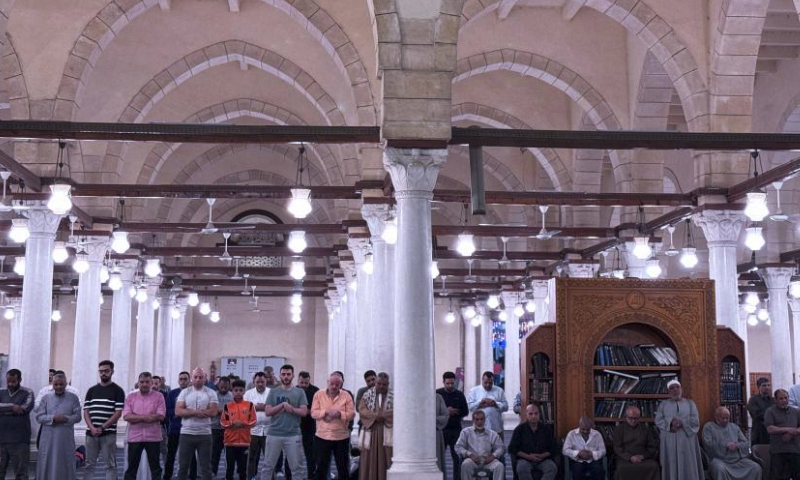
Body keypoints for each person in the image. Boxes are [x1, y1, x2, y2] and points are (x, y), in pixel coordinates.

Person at [261, 364, 308, 480]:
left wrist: (291, 409)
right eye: (283, 374)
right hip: (274, 433)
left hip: (293, 434)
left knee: (297, 468)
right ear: (280, 375)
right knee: (268, 467)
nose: (286, 377)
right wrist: (282, 405)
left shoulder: (299, 392)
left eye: (288, 374)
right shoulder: (273, 392)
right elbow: (268, 411)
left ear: (293, 376)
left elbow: (303, 412)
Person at [82, 359, 126, 480]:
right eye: (101, 371)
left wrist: (102, 428)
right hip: (91, 434)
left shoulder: (118, 390)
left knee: (110, 465)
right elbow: (86, 411)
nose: (103, 374)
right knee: (89, 464)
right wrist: (92, 428)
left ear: (112, 372)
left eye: (106, 371)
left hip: (108, 434)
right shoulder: (91, 390)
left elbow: (117, 413)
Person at [34, 373, 82, 480]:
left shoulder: (73, 398)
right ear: (52, 384)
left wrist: (65, 419)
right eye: (56, 384)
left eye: (61, 384)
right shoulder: (45, 398)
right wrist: (52, 418)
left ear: (66, 384)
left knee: (65, 461)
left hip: (65, 438)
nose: (59, 387)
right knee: (47, 460)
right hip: (48, 437)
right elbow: (39, 417)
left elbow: (78, 417)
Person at [654, 379, 703, 480]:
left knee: (688, 463)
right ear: (668, 391)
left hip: (687, 440)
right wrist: (671, 421)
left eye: (677, 387)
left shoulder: (690, 403)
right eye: (672, 388)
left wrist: (682, 422)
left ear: (681, 389)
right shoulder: (663, 404)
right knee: (671, 464)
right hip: (669, 440)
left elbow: (695, 421)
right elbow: (658, 420)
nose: (675, 390)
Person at [175, 367, 219, 480]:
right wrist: (196, 412)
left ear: (205, 379)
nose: (198, 379)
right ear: (191, 379)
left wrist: (188, 411)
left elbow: (213, 411)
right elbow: (178, 411)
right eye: (195, 377)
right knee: (183, 467)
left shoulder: (211, 392)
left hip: (205, 435)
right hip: (186, 434)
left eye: (201, 377)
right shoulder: (184, 392)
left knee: (206, 468)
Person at [123, 371, 167, 480]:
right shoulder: (131, 397)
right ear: (138, 383)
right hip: (135, 437)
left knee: (155, 468)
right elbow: (127, 416)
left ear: (151, 382)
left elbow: (161, 416)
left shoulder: (159, 396)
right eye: (142, 382)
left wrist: (136, 417)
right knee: (131, 469)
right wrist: (147, 417)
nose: (144, 384)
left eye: (147, 382)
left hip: (153, 437)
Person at [312, 372, 355, 480]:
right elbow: (313, 413)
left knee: (343, 469)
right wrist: (325, 412)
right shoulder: (318, 394)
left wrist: (339, 414)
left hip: (341, 437)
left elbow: (352, 414)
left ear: (341, 385)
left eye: (337, 384)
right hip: (322, 436)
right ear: (328, 383)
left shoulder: (346, 396)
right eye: (332, 383)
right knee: (321, 468)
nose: (334, 386)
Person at [702, 406, 761, 480]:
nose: (725, 420)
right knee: (720, 469)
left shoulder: (734, 427)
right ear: (716, 417)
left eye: (727, 418)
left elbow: (745, 443)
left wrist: (737, 446)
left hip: (737, 460)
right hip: (719, 460)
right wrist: (726, 445)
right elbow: (708, 444)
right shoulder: (708, 427)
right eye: (723, 418)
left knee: (755, 467)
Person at [358, 372, 393, 480]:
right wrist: (375, 416)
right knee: (369, 459)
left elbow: (398, 411)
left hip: (387, 432)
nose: (381, 386)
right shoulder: (367, 395)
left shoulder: (394, 396)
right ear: (376, 383)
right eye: (379, 384)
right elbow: (362, 410)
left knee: (386, 458)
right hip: (371, 431)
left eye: (384, 384)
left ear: (388, 384)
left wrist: (383, 416)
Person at [508, 403, 558, 480]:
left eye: (536, 413)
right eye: (530, 414)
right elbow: (512, 449)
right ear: (526, 415)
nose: (534, 416)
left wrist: (542, 456)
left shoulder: (546, 429)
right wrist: (528, 457)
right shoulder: (519, 429)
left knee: (552, 468)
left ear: (539, 414)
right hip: (525, 459)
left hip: (543, 459)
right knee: (521, 468)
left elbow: (554, 448)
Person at [0, 368, 34, 480]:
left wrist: (3, 409)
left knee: (21, 473)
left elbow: (25, 409)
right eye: (8, 381)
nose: (10, 384)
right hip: (1, 438)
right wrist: (13, 407)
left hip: (20, 440)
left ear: (20, 380)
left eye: (13, 381)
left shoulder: (28, 392)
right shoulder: (1, 392)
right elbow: (17, 409)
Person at [220, 379, 257, 480]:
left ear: (244, 391)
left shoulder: (249, 405)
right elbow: (223, 423)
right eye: (236, 390)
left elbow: (253, 421)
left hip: (244, 443)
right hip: (229, 443)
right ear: (232, 391)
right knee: (229, 469)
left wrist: (242, 423)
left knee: (243, 470)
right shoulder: (227, 406)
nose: (238, 393)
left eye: (241, 390)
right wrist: (232, 423)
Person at [612, 405, 660, 480]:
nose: (633, 421)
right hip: (625, 458)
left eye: (636, 418)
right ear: (626, 417)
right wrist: (630, 457)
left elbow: (652, 447)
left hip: (643, 458)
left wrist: (643, 456)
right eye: (630, 418)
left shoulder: (645, 429)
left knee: (654, 466)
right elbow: (617, 447)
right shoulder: (619, 429)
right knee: (621, 468)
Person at [455, 409, 505, 480]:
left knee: (499, 466)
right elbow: (458, 447)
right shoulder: (466, 432)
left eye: (481, 419)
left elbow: (501, 448)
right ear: (473, 420)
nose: (479, 422)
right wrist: (469, 454)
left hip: (488, 461)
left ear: (485, 420)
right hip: (472, 460)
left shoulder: (492, 434)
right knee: (465, 465)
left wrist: (493, 456)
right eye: (477, 419)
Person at [437, 371, 469, 480]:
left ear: (454, 382)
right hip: (441, 430)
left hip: (456, 430)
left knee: (457, 457)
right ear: (443, 382)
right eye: (448, 383)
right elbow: (432, 411)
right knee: (439, 457)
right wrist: (446, 412)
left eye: (452, 383)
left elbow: (465, 411)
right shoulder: (438, 394)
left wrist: (456, 412)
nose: (450, 385)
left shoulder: (459, 394)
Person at [765, 389, 800, 479]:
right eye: (781, 398)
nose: (784, 400)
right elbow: (770, 429)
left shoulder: (796, 411)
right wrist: (788, 429)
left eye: (786, 398)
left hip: (795, 449)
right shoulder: (770, 411)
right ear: (775, 400)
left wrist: (792, 433)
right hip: (778, 450)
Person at [164, 371, 192, 480]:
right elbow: (168, 411)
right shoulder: (172, 393)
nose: (183, 381)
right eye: (181, 379)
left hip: (189, 429)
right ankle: (167, 476)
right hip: (175, 429)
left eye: (185, 379)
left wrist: (181, 412)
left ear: (189, 380)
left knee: (191, 457)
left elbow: (195, 410)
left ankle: (192, 476)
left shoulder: (194, 393)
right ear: (178, 381)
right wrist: (182, 412)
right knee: (171, 456)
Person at [244, 371, 271, 480]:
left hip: (269, 431)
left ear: (266, 381)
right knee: (251, 458)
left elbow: (274, 408)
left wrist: (256, 407)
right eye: (258, 382)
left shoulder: (272, 393)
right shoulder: (248, 393)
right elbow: (245, 409)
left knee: (269, 459)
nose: (260, 384)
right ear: (254, 382)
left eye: (262, 382)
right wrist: (261, 407)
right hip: (253, 431)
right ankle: (251, 477)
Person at [563, 415, 606, 479]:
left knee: (599, 471)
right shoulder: (571, 434)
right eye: (583, 429)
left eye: (588, 429)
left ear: (591, 427)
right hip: (577, 461)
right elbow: (565, 450)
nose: (585, 431)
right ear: (579, 426)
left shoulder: (597, 434)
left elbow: (603, 450)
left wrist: (592, 454)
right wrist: (578, 453)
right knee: (577, 471)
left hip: (592, 460)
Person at [467, 371, 508, 438]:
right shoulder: (474, 391)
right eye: (485, 383)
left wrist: (495, 403)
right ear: (482, 380)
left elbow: (506, 407)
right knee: (480, 447)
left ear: (493, 381)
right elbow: (470, 407)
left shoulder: (499, 391)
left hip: (496, 427)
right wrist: (480, 403)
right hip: (480, 428)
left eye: (490, 383)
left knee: (498, 447)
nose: (488, 385)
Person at [298, 370, 320, 479]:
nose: (304, 385)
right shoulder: (294, 390)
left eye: (306, 383)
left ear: (309, 381)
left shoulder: (316, 391)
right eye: (302, 383)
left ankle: (311, 476)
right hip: (295, 426)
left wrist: (308, 411)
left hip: (310, 426)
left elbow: (319, 408)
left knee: (310, 454)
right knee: (292, 454)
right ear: (298, 380)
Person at [211, 376, 233, 477]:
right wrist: (224, 411)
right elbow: (211, 411)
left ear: (229, 386)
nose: (223, 387)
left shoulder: (233, 396)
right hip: (215, 428)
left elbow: (234, 412)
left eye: (225, 386)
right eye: (222, 385)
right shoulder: (212, 395)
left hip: (229, 429)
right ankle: (213, 473)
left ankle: (228, 475)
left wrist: (220, 411)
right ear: (218, 385)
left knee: (229, 454)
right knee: (214, 453)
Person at [748, 377, 774, 446]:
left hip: (772, 431)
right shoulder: (753, 400)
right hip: (759, 431)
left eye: (768, 385)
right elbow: (756, 415)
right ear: (759, 387)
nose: (767, 387)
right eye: (764, 385)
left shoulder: (773, 400)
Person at [435, 393, 449, 479]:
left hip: (435, 433)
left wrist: (433, 418)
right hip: (418, 436)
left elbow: (445, 415)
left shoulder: (438, 397)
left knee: (437, 462)